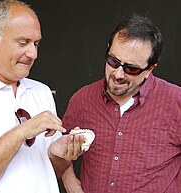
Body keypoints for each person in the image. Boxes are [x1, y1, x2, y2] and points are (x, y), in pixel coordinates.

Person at [0, 1, 85, 193]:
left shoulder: (41, 91)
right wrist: (21, 132)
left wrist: (60, 153)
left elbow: (48, 172)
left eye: (36, 44)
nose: (33, 53)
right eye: (23, 43)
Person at [61, 14, 181, 193]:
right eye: (113, 61)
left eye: (130, 69)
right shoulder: (82, 100)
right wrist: (71, 183)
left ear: (149, 69)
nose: (117, 74)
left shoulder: (176, 101)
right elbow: (61, 152)